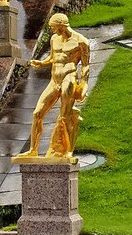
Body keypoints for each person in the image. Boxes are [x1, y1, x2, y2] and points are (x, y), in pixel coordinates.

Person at [22, 13, 91, 159]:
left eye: (54, 28)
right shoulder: (54, 39)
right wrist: (42, 63)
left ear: (62, 26)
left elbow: (85, 66)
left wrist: (84, 84)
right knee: (37, 113)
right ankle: (33, 149)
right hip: (54, 80)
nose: (53, 31)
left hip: (69, 79)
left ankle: (68, 151)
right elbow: (53, 57)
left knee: (64, 117)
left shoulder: (81, 41)